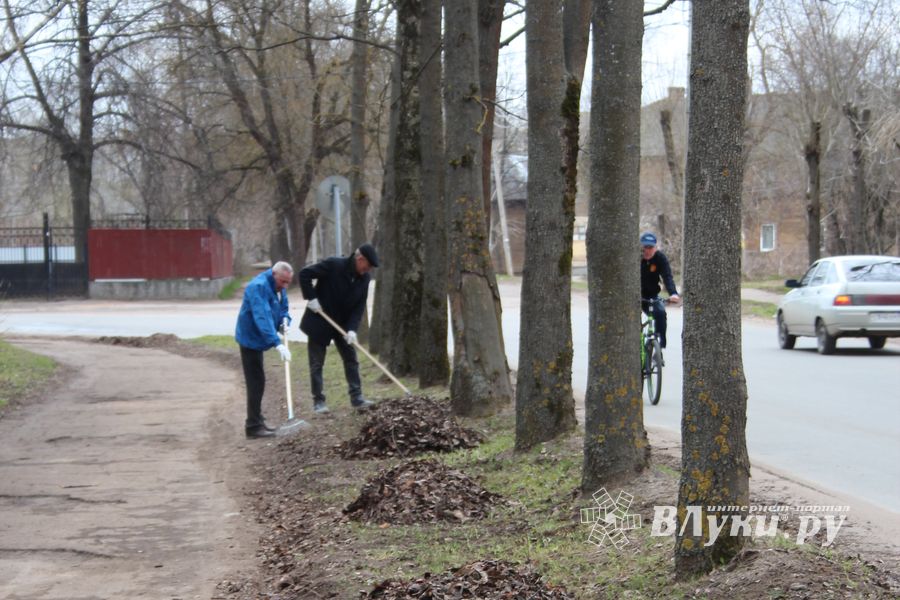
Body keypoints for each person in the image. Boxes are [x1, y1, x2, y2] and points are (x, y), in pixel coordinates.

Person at [299, 244, 378, 414]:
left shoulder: (364, 279)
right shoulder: (334, 265)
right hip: (320, 320)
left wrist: (352, 330)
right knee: (317, 363)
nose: (368, 269)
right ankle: (318, 401)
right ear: (360, 258)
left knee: (351, 359)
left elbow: (359, 307)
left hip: (342, 325)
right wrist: (311, 298)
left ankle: (357, 398)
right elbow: (304, 274)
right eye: (368, 265)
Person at [234, 261, 293, 438]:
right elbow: (262, 317)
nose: (285, 286)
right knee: (255, 382)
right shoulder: (257, 287)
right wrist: (277, 343)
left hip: (259, 338)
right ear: (274, 275)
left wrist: (285, 321)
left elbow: (283, 308)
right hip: (250, 338)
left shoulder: (278, 285)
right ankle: (252, 426)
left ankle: (257, 419)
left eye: (287, 282)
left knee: (259, 380)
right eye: (283, 282)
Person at [640, 232, 681, 348]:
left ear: (655, 247)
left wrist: (673, 293)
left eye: (650, 247)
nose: (647, 250)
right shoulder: (636, 259)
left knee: (661, 313)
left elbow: (667, 277)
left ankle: (659, 342)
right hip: (636, 295)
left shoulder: (660, 258)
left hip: (652, 295)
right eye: (645, 247)